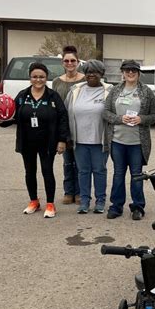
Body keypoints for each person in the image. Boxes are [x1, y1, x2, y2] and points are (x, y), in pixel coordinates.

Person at [0, 62, 68, 218]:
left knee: (47, 171)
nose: (38, 80)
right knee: (29, 172)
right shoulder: (23, 95)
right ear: (30, 78)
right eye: (35, 77)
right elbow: (12, 116)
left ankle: (50, 204)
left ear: (46, 78)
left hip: (47, 141)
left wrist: (62, 140)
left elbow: (63, 118)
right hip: (27, 141)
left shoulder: (53, 96)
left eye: (42, 77)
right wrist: (1, 121)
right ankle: (34, 201)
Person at [103, 59, 155, 220]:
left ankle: (138, 207)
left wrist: (142, 119)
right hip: (117, 141)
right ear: (122, 72)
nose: (130, 73)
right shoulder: (115, 90)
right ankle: (116, 206)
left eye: (133, 70)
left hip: (137, 143)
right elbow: (105, 112)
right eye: (127, 70)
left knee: (136, 176)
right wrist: (120, 118)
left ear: (138, 73)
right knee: (118, 174)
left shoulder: (147, 92)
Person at [64, 60, 113, 214]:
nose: (91, 74)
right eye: (88, 72)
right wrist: (67, 137)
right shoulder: (75, 91)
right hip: (79, 140)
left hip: (100, 139)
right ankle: (84, 201)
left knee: (99, 170)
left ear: (101, 74)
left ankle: (100, 201)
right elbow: (66, 113)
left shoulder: (109, 91)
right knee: (83, 171)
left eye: (95, 72)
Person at [52, 45, 85, 205]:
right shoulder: (57, 82)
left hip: (81, 126)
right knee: (67, 162)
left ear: (78, 62)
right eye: (67, 61)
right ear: (62, 63)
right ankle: (68, 191)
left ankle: (79, 192)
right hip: (63, 128)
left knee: (80, 162)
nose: (70, 63)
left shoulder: (85, 80)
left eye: (73, 60)